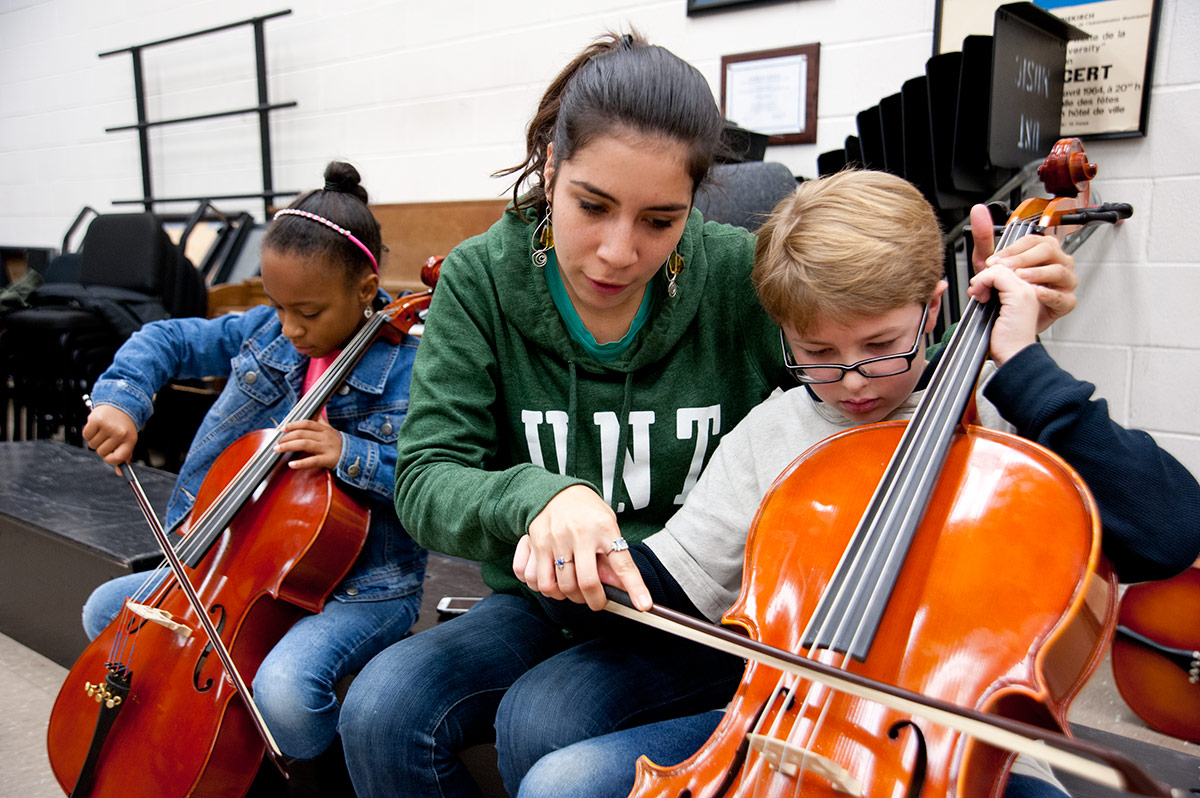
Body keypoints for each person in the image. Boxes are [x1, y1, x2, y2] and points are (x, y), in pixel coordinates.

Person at [337, 33, 1079, 797]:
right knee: (381, 709)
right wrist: (538, 497)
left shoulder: (735, 271)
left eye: (659, 220)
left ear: (694, 203)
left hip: (715, 607)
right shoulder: (479, 279)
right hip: (550, 597)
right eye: (591, 206)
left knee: (546, 725)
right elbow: (426, 478)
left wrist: (1000, 332)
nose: (617, 253)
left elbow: (859, 371)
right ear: (552, 168)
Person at [513, 171, 1200, 798]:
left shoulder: (1007, 416)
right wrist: (581, 561)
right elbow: (675, 581)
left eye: (880, 346)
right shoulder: (773, 433)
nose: (849, 381)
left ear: (933, 309)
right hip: (785, 730)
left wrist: (1024, 363)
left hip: (969, 757)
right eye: (816, 352)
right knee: (561, 785)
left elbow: (1168, 535)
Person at [79, 161, 428, 767]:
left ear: (366, 291)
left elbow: (440, 482)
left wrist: (353, 454)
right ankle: (208, 734)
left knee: (287, 699)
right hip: (232, 566)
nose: (289, 328)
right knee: (106, 614)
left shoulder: (412, 366)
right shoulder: (269, 329)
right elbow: (167, 339)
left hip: (359, 588)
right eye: (277, 305)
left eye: (309, 314)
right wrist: (122, 401)